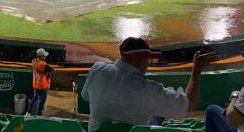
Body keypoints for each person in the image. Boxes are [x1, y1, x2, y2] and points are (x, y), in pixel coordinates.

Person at [81, 37, 219, 132]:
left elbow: (86, 96)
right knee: (159, 112)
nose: (148, 65)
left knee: (155, 112)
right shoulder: (146, 89)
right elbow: (187, 104)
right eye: (148, 61)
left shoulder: (97, 70)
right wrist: (196, 70)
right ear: (139, 61)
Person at [26, 48, 54, 116]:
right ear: (41, 56)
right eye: (44, 55)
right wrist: (48, 71)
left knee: (34, 98)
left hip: (36, 85)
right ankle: (39, 116)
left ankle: (28, 112)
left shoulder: (34, 61)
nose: (45, 56)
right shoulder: (42, 64)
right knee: (42, 102)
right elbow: (52, 69)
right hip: (42, 86)